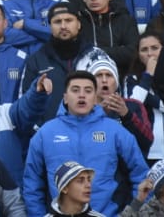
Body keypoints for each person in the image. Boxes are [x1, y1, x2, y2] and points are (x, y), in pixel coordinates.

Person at [23, 71, 148, 217]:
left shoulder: (115, 131)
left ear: (95, 98)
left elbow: (141, 175)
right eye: (75, 90)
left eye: (88, 91)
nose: (82, 95)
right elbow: (32, 183)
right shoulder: (45, 133)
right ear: (65, 97)